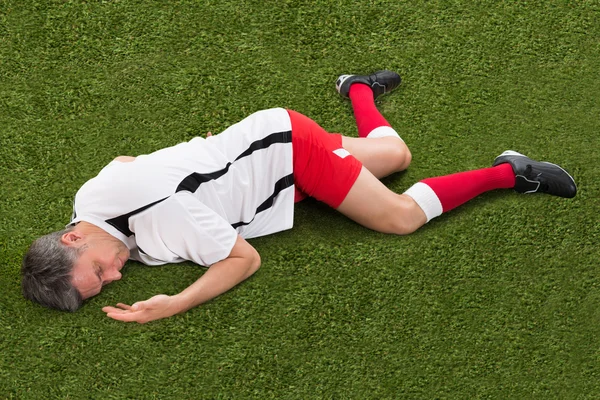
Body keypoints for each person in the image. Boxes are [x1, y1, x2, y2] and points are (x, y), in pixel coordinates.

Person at [21, 70, 577, 324]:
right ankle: (358, 87)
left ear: (71, 238)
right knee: (396, 155)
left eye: (99, 270)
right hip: (265, 142)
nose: (115, 277)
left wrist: (175, 303)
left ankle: (510, 172)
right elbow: (127, 163)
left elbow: (244, 259)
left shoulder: (158, 220)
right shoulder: (89, 201)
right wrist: (204, 164)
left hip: (286, 156)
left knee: (400, 216)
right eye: (103, 286)